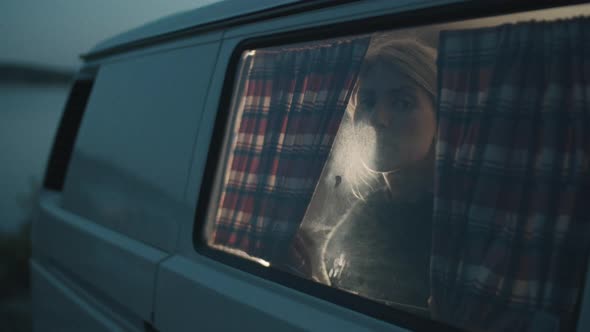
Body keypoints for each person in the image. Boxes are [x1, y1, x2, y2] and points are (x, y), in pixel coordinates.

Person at [318, 36, 438, 312]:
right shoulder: (362, 216)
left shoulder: (461, 225)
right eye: (368, 102)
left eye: (402, 103)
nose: (377, 118)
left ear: (442, 116)